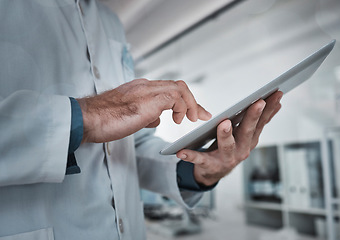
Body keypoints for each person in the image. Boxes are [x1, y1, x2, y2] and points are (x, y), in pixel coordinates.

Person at [0, 0, 282, 239]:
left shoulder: (109, 22)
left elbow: (122, 147)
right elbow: (103, 120)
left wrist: (198, 170)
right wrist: (90, 116)